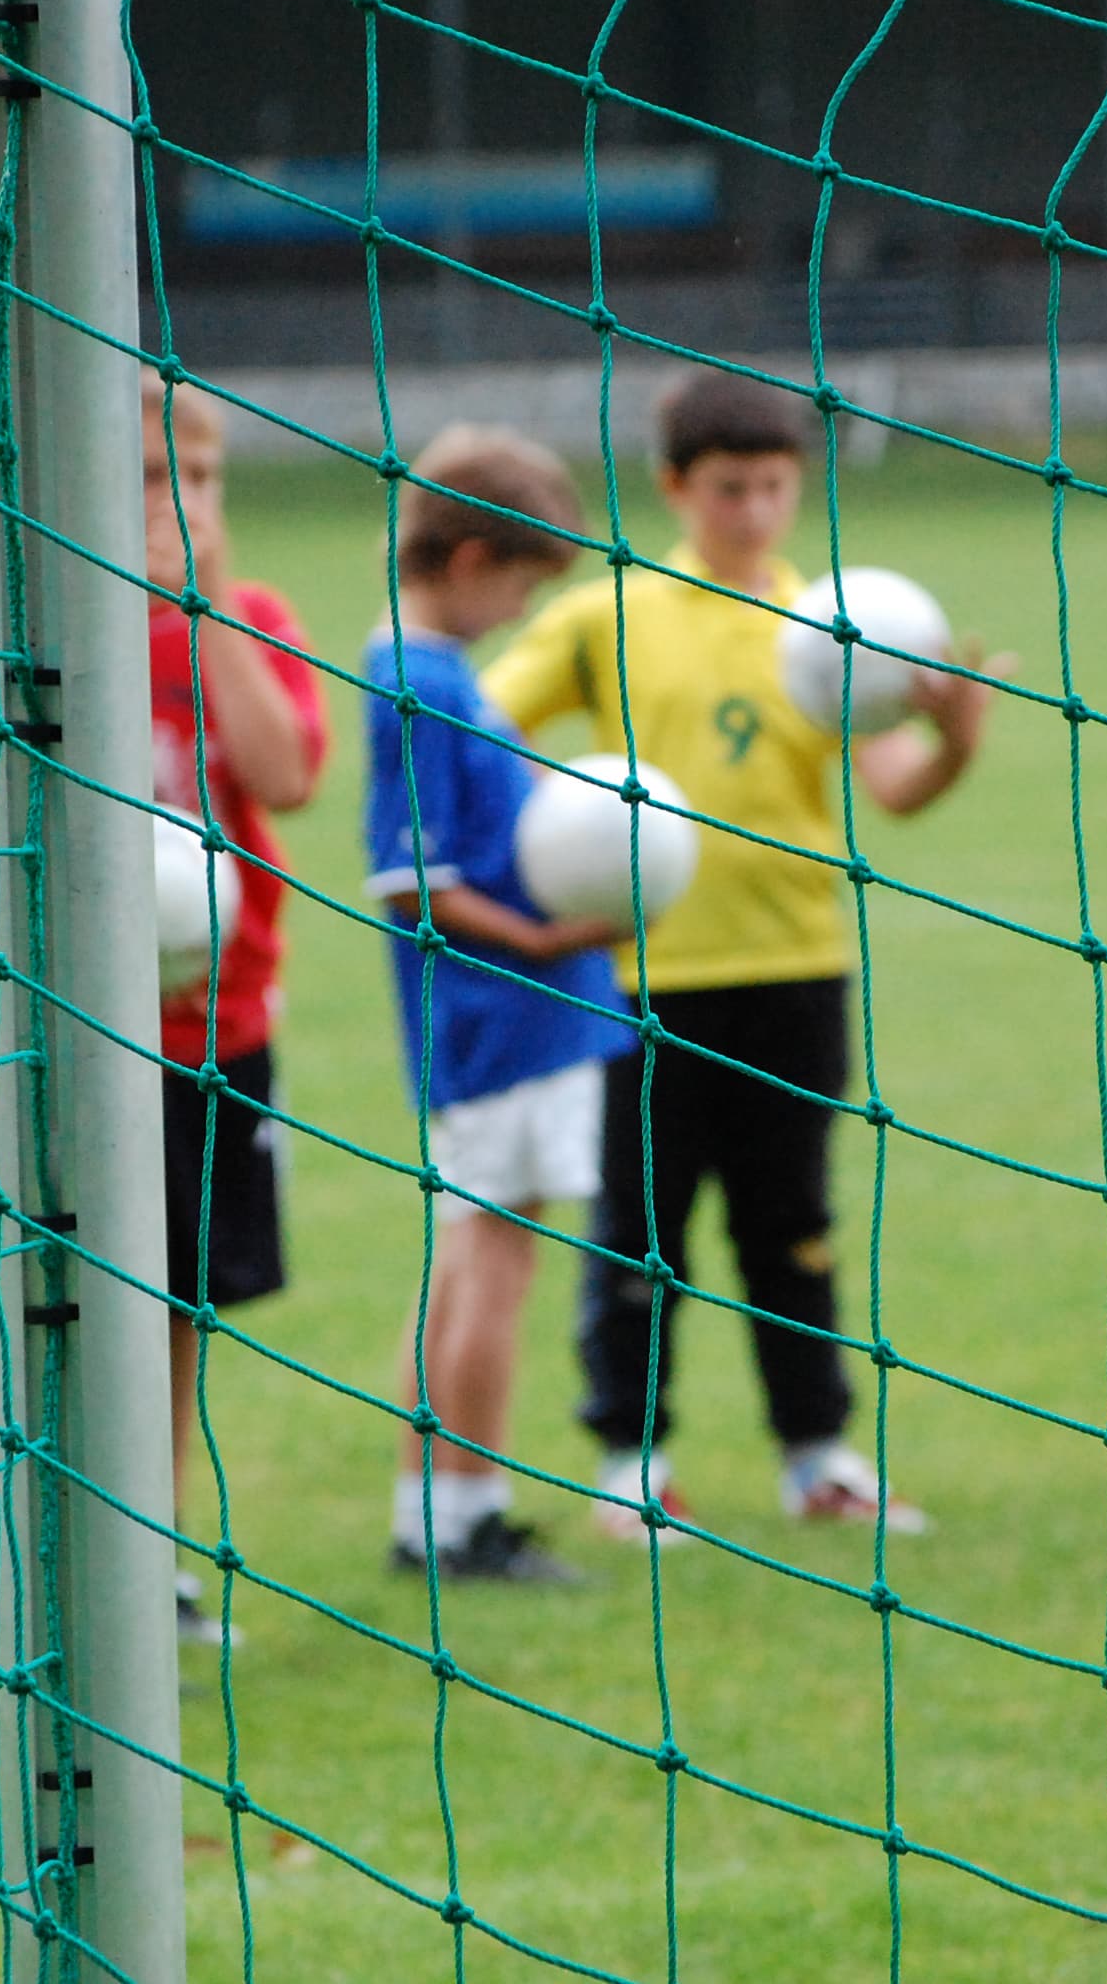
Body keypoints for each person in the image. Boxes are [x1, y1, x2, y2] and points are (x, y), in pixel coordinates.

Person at [482, 369, 997, 1542]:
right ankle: (630, 1461)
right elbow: (478, 727)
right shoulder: (606, 615)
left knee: (793, 1228)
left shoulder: (837, 626)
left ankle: (816, 1455)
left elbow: (896, 791)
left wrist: (955, 741)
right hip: (637, 982)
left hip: (797, 968)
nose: (754, 511)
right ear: (673, 487)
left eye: (772, 487)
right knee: (637, 1231)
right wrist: (561, 835)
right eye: (728, 489)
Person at [361, 425, 631, 1584]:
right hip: (498, 1018)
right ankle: (465, 1512)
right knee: (492, 1258)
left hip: (520, 1015)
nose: (519, 609)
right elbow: (413, 877)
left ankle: (434, 1507)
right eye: (522, 584)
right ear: (469, 558)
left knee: (470, 1252)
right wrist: (547, 934)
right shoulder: (412, 679)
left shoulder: (436, 670)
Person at [142, 374, 331, 1639]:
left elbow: (285, 773)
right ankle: (59, 1550)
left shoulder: (247, 616)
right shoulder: (40, 620)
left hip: (220, 1030)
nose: (186, 507)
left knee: (176, 1311)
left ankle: (146, 1557)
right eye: (155, 484)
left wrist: (201, 605)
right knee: (63, 1300)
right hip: (71, 1038)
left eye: (202, 482)